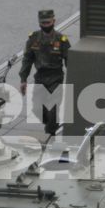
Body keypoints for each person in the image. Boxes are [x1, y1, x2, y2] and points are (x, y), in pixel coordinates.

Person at [18, 8, 70, 136]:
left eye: (48, 22)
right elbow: (27, 60)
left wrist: (74, 78)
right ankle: (52, 124)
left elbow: (70, 60)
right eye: (43, 23)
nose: (45, 25)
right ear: (39, 23)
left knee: (53, 109)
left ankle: (50, 132)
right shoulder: (33, 39)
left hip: (55, 77)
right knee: (36, 109)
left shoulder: (61, 40)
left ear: (54, 21)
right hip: (40, 77)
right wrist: (23, 80)